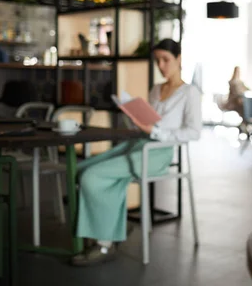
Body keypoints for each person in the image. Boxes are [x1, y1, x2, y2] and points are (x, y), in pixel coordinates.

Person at [71, 39, 202, 266]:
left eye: (166, 60)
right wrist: (134, 119)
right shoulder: (156, 89)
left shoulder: (190, 93)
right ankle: (113, 226)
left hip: (157, 153)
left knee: (92, 176)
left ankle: (104, 244)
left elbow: (193, 132)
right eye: (157, 60)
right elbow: (147, 122)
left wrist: (156, 131)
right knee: (79, 168)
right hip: (138, 144)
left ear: (179, 59)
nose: (161, 65)